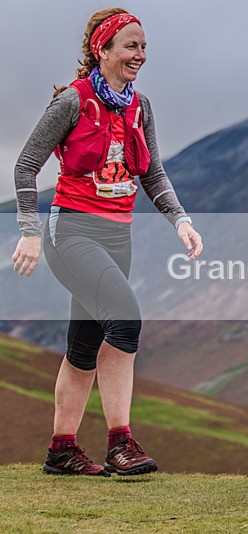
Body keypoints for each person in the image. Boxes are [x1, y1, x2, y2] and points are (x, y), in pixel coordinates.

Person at [11, 8, 202, 476]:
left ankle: (62, 449)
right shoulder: (72, 102)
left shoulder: (141, 106)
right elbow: (25, 166)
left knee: (84, 345)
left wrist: (181, 221)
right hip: (72, 231)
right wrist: (31, 233)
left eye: (144, 46)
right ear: (104, 49)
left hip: (119, 235)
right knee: (126, 322)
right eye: (131, 45)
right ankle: (121, 443)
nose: (140, 54)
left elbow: (152, 172)